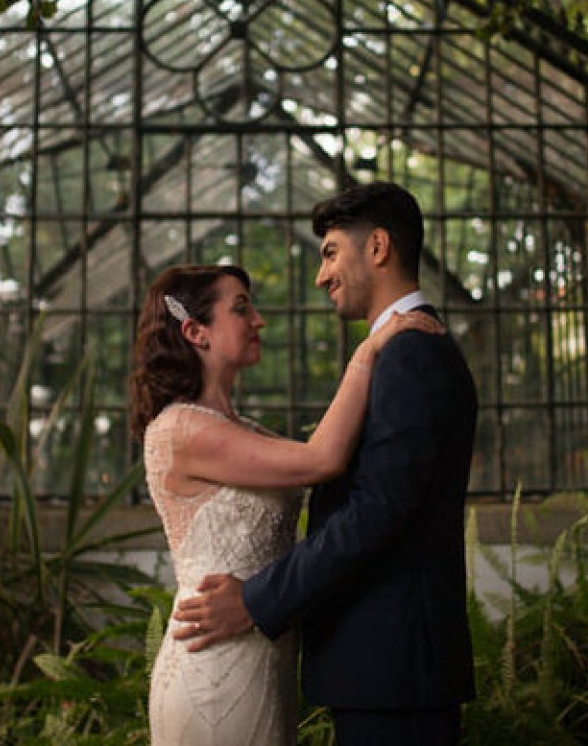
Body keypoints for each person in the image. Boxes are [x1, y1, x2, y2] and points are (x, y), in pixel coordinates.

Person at [173, 182, 479, 746]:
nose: (321, 275)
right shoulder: (396, 351)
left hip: (396, 671)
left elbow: (377, 512)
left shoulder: (411, 353)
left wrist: (257, 600)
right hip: (382, 668)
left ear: (379, 247)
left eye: (331, 251)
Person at [129, 261, 443, 745]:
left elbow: (320, 456)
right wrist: (369, 350)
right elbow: (322, 458)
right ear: (196, 331)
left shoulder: (242, 430)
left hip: (263, 657)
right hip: (215, 667)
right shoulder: (180, 430)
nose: (259, 320)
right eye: (241, 308)